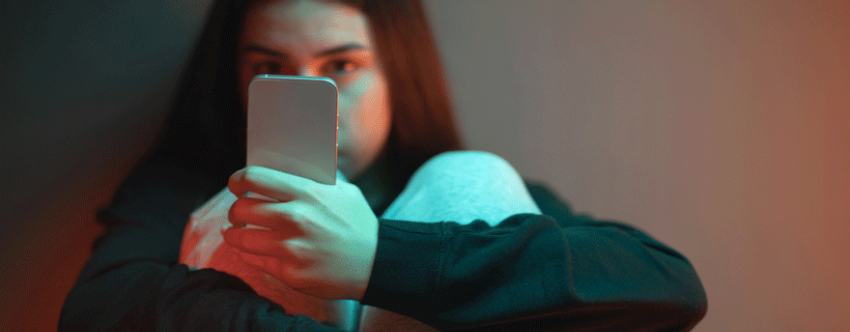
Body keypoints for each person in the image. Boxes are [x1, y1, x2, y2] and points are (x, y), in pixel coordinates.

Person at [60, 0, 708, 331]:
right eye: (271, 69)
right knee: (239, 211)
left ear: (397, 74)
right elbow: (93, 310)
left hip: (437, 204)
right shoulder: (181, 185)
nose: (316, 96)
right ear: (234, 81)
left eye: (342, 65)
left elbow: (668, 288)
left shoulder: (457, 192)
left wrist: (376, 256)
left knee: (468, 178)